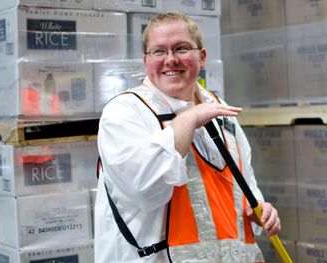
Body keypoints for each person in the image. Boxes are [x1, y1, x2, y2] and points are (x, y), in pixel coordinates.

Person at [94, 12, 281, 262]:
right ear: (146, 61)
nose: (170, 60)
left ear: (201, 57)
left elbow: (243, 181)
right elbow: (145, 191)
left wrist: (258, 207)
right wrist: (187, 120)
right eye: (159, 51)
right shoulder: (124, 112)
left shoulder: (220, 110)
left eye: (181, 48)